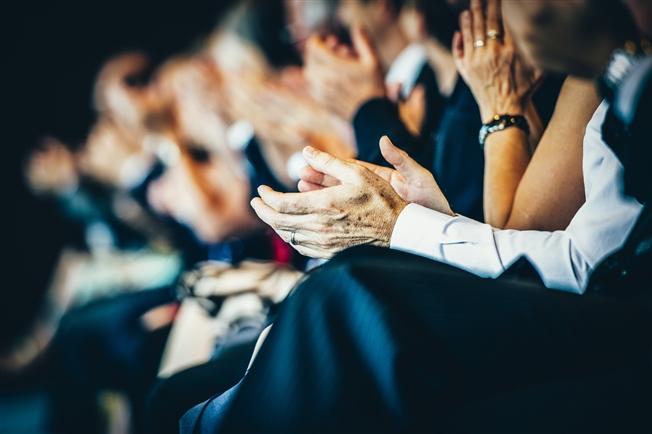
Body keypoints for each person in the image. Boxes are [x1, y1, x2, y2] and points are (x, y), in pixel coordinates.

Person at [207, 1, 652, 432]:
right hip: (583, 310)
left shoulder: (595, 70)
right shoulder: (590, 70)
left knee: (339, 295)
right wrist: (431, 214)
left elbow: (551, 253)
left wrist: (402, 217)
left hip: (621, 343)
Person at [249, 0, 642, 294]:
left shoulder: (572, 73)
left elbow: (528, 250)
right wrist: (430, 214)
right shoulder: (449, 81)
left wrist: (500, 107)